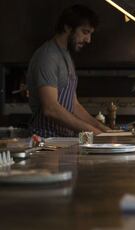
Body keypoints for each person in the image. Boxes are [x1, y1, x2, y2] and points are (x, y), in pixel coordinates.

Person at [27, 4, 110, 137]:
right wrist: (93, 132)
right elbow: (51, 108)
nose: (88, 40)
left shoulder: (66, 55)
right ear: (67, 27)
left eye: (90, 34)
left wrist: (103, 129)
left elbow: (74, 105)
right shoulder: (48, 56)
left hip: (63, 140)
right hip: (46, 141)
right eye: (85, 32)